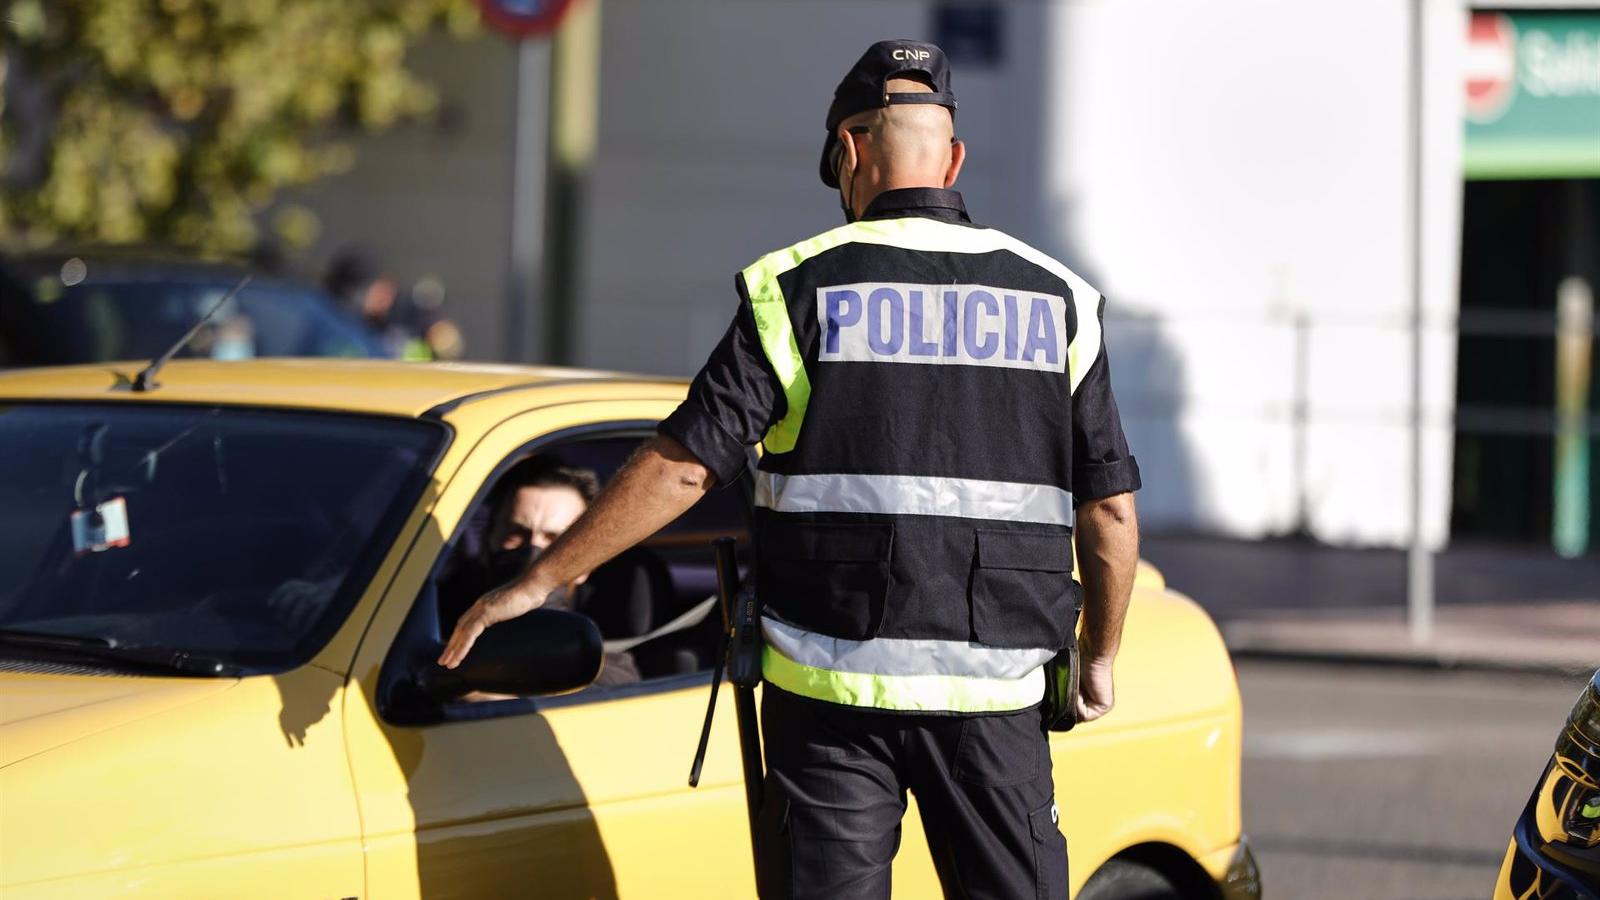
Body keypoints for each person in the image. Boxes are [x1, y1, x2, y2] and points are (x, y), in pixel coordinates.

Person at [440, 39, 1140, 899]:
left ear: (848, 153)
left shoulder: (796, 290)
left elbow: (684, 467)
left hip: (829, 704)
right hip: (995, 704)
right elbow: (1106, 512)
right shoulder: (1060, 297)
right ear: (953, 157)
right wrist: (1099, 653)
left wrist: (538, 580)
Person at [440, 455, 640, 689]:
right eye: (515, 535)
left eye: (555, 541)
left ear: (586, 566)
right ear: (487, 542)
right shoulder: (427, 627)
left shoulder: (605, 668)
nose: (532, 551)